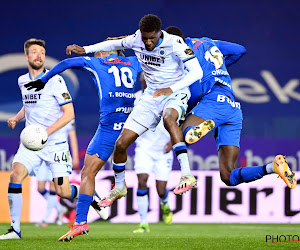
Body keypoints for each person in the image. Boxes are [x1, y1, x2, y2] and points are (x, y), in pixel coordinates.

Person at [62, 14, 204, 208]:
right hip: (150, 98)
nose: (147, 42)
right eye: (145, 38)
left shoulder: (176, 43)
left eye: (151, 38)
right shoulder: (137, 38)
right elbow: (113, 44)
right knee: (120, 145)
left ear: (159, 33)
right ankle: (119, 186)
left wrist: (170, 89)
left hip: (175, 92)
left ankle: (187, 174)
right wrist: (84, 49)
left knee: (169, 119)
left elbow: (197, 72)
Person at [24, 45, 142, 241]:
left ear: (106, 52)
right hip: (131, 125)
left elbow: (66, 63)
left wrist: (43, 79)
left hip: (108, 128)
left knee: (88, 173)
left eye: (100, 49)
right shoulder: (134, 62)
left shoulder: (98, 62)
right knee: (117, 153)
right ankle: (119, 184)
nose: (95, 52)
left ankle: (80, 222)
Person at [165, 26, 296, 189]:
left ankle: (194, 128)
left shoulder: (184, 54)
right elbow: (239, 50)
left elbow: (197, 90)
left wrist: (184, 114)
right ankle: (272, 167)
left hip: (213, 102)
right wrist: (218, 69)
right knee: (228, 176)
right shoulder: (207, 42)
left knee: (180, 134)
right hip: (233, 108)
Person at [0, 39, 105, 241]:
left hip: (55, 144)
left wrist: (46, 132)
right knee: (15, 175)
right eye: (34, 52)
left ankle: (90, 195)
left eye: (42, 52)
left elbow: (69, 114)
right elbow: (29, 105)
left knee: (63, 191)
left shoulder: (55, 80)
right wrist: (16, 117)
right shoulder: (22, 81)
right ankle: (15, 230)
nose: (38, 55)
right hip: (31, 144)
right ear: (27, 57)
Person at [133, 74, 173, 233]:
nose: (148, 79)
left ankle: (165, 205)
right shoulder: (135, 99)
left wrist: (173, 141)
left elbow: (180, 121)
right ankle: (143, 223)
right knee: (142, 181)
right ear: (141, 80)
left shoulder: (167, 99)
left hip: (163, 149)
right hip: (144, 147)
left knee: (160, 189)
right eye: (144, 78)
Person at [36, 119, 79, 227]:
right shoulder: (44, 112)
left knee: (52, 186)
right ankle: (61, 209)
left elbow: (72, 137)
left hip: (57, 154)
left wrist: (75, 156)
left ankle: (45, 220)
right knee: (40, 188)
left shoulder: (67, 115)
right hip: (41, 153)